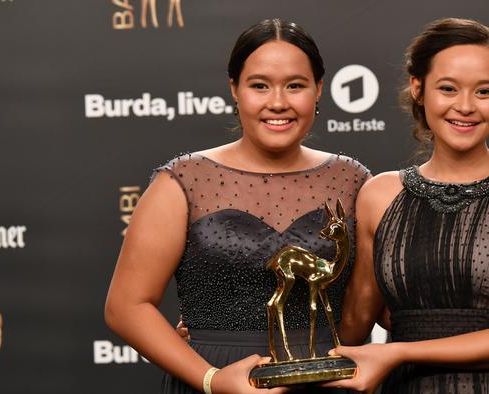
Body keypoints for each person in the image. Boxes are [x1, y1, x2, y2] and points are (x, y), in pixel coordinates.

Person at [105, 19, 370, 394]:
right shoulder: (183, 180)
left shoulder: (353, 180)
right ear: (234, 89)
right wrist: (212, 379)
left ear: (318, 90)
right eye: (259, 85)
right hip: (214, 377)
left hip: (324, 379)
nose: (278, 102)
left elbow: (369, 304)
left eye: (295, 85)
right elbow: (126, 307)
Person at [330, 18, 489, 394]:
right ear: (418, 89)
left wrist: (398, 353)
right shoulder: (379, 194)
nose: (466, 106)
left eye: (484, 91)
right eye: (448, 88)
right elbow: (354, 324)